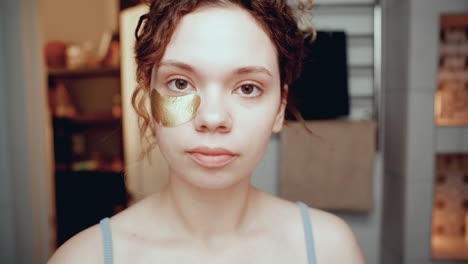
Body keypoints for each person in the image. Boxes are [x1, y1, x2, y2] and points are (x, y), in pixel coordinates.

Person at [49, 0, 365, 263]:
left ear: (280, 108)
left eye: (248, 87)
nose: (212, 118)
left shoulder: (330, 250)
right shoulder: (82, 258)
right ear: (149, 100)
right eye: (180, 83)